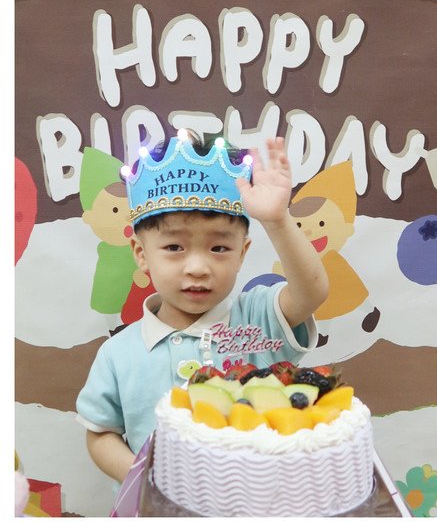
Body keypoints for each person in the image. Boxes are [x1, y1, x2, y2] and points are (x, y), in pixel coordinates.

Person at [76, 133, 328, 483]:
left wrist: (278, 221)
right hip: (157, 507)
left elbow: (311, 292)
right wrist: (146, 481)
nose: (197, 267)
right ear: (141, 254)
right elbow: (101, 433)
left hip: (257, 500)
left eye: (219, 248)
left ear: (242, 253)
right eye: (174, 247)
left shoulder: (258, 320)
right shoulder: (117, 354)